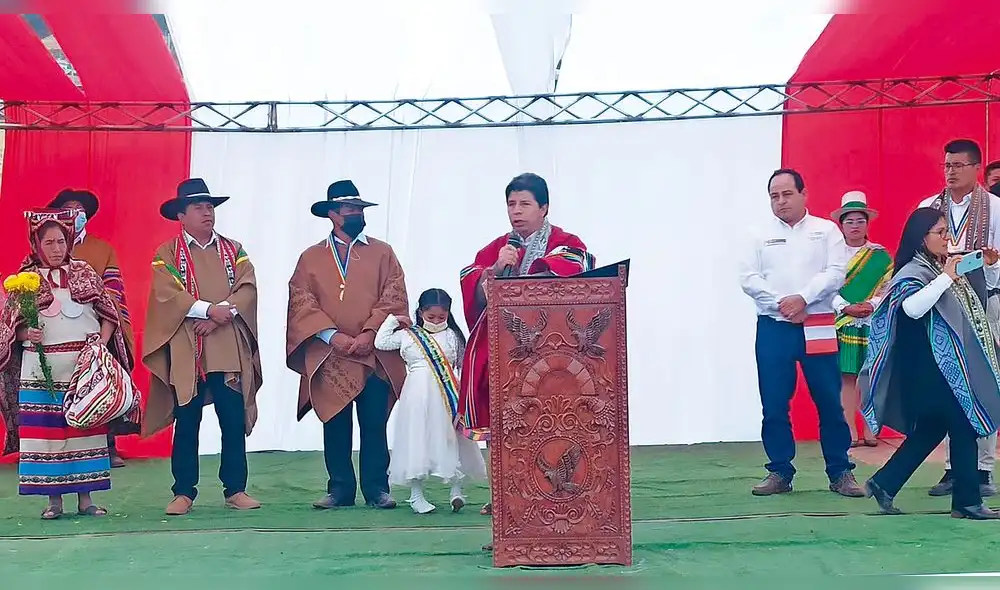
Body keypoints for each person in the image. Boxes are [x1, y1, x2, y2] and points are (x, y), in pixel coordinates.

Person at [457, 172, 595, 520]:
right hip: (505, 349)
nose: (516, 211)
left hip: (555, 349)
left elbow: (577, 265)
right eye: (511, 204)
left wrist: (530, 268)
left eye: (524, 204)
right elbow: (470, 279)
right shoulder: (497, 248)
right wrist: (494, 270)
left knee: (551, 420)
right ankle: (503, 494)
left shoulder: (565, 241)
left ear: (544, 208)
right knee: (505, 420)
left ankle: (554, 491)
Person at [860, 208, 1000, 519]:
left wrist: (987, 265)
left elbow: (975, 297)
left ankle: (885, 483)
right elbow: (912, 308)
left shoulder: (937, 268)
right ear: (921, 238)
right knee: (963, 423)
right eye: (940, 232)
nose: (947, 238)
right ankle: (967, 501)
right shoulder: (913, 272)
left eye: (947, 231)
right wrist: (947, 277)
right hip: (928, 368)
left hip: (940, 367)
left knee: (932, 428)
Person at [738, 168, 864, 498]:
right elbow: (749, 279)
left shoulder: (826, 231)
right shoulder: (757, 233)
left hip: (817, 322)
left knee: (829, 401)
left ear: (803, 194)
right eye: (774, 196)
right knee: (774, 403)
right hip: (774, 326)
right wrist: (783, 304)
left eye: (787, 194)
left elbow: (836, 273)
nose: (781, 201)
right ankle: (779, 471)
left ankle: (840, 471)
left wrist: (804, 299)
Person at [0, 208, 133, 519]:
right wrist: (25, 333)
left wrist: (100, 342)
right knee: (47, 434)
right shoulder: (24, 281)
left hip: (81, 369)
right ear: (36, 244)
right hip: (39, 370)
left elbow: (109, 313)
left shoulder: (84, 272)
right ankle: (54, 501)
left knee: (84, 428)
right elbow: (8, 326)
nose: (56, 248)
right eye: (49, 243)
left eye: (61, 241)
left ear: (69, 241)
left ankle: (86, 499)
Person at [142, 178, 264, 516]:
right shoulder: (167, 253)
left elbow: (247, 288)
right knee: (187, 421)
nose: (207, 212)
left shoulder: (234, 250)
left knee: (232, 419)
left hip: (226, 346)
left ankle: (235, 489)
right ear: (181, 215)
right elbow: (167, 294)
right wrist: (210, 311)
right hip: (187, 348)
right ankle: (183, 492)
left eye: (210, 207)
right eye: (199, 207)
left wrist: (220, 315)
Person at [286, 180, 408, 510]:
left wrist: (370, 334)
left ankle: (377, 489)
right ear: (332, 214)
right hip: (330, 354)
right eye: (349, 208)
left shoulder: (383, 252)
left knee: (374, 423)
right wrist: (332, 336)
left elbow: (394, 296)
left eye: (359, 208)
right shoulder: (310, 257)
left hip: (374, 353)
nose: (357, 213)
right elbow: (301, 301)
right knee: (335, 423)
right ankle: (339, 489)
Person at [919, 139, 1000, 497]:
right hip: (943, 303)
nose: (950, 172)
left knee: (985, 380)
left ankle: (983, 469)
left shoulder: (995, 209)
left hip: (987, 302)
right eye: (947, 165)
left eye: (958, 165)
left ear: (976, 168)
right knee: (950, 382)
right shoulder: (929, 207)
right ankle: (953, 468)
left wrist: (991, 264)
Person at [374, 288, 487, 514]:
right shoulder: (408, 335)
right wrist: (395, 320)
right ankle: (416, 495)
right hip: (417, 395)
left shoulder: (454, 336)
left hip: (448, 394)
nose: (436, 321)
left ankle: (456, 490)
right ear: (420, 313)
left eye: (441, 317)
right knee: (417, 439)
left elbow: (463, 366)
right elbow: (381, 342)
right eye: (431, 317)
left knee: (452, 438)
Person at [48, 188, 135, 468]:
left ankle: (107, 447)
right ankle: (55, 447)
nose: (75, 214)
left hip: (95, 329)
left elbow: (113, 294)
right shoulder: (46, 247)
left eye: (80, 210)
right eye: (69, 209)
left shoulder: (103, 250)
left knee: (100, 383)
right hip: (55, 330)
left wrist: (103, 338)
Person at [830, 192, 892, 448]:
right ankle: (849, 429)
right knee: (847, 376)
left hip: (872, 321)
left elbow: (888, 287)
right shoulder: (831, 255)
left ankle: (870, 429)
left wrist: (871, 304)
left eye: (860, 221)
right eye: (849, 221)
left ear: (867, 224)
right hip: (843, 322)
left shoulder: (880, 256)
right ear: (841, 224)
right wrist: (845, 307)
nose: (855, 226)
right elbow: (825, 288)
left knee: (870, 375)